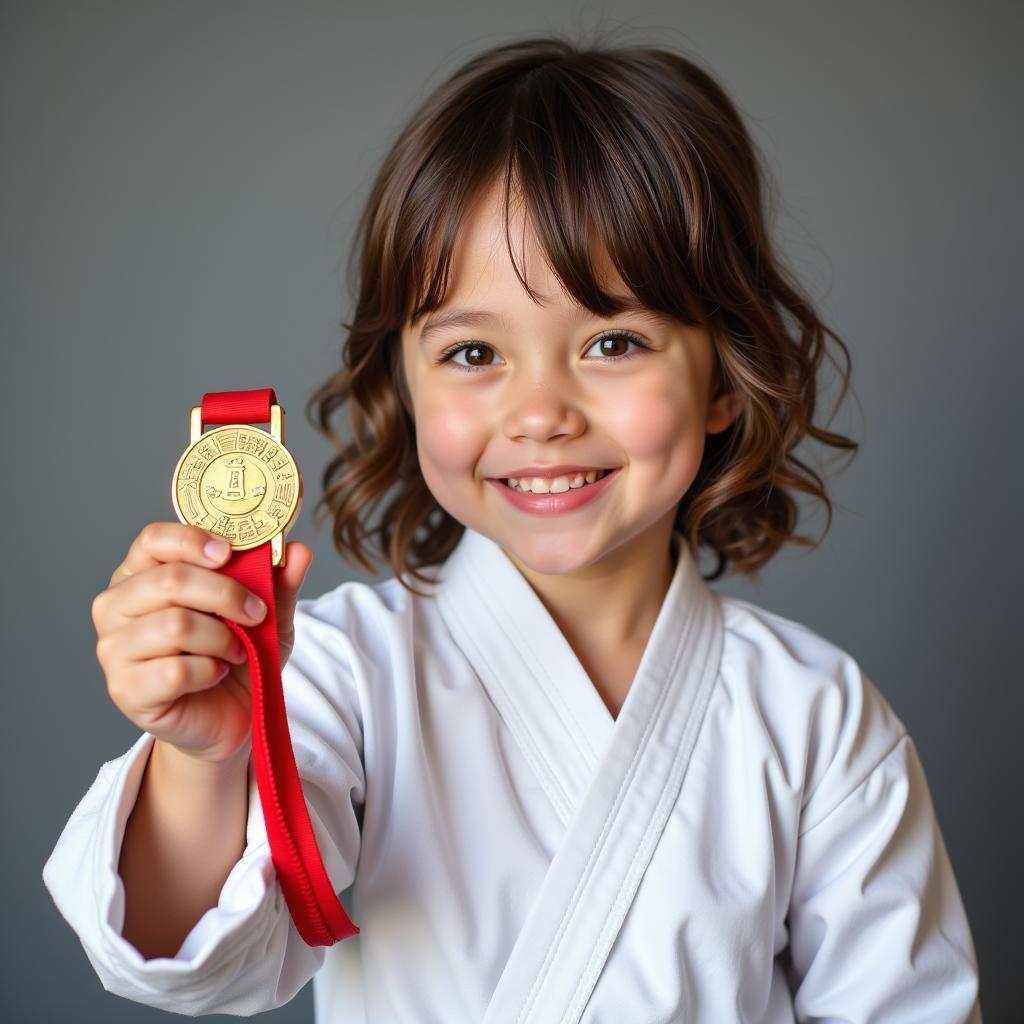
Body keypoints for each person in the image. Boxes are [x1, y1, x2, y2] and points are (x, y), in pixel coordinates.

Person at [42, 33, 982, 1023]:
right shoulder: (338, 671)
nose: (540, 412)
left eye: (613, 342)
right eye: (474, 350)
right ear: (402, 381)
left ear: (722, 373)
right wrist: (205, 757)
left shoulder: (818, 719)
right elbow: (197, 958)